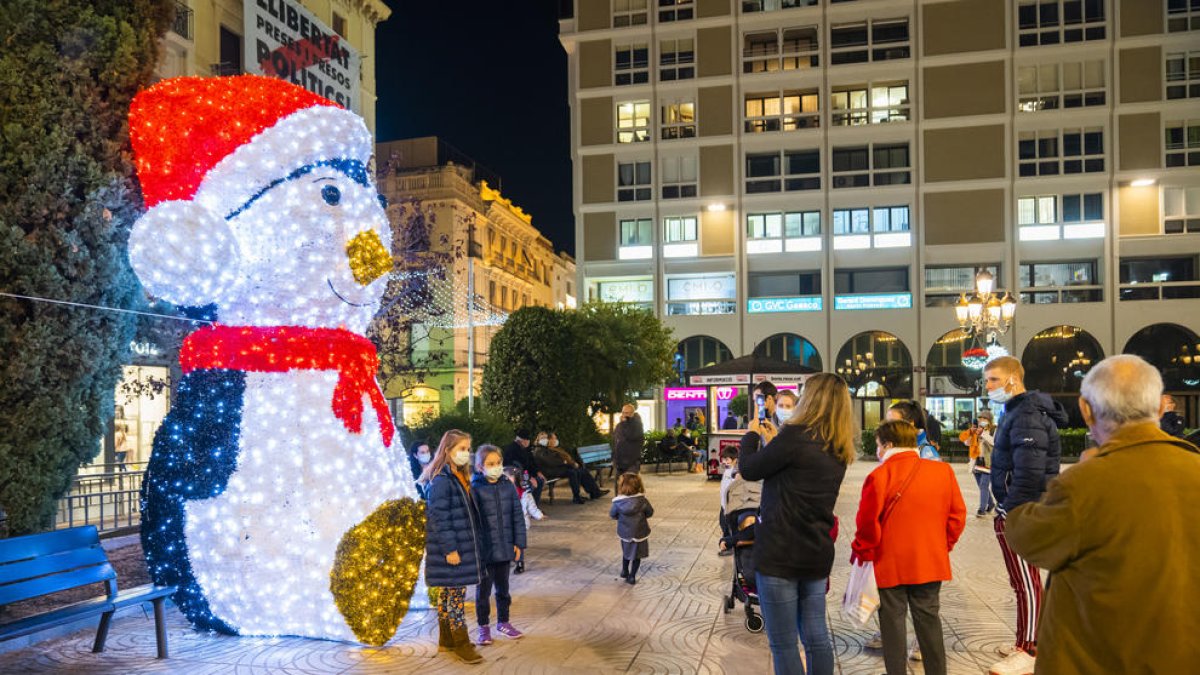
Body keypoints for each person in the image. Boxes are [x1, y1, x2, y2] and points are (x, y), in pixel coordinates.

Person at [1005, 355, 1200, 674]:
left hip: (1099, 660)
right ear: (1161, 407)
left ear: (1085, 409)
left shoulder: (1085, 484)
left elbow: (1025, 537)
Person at [739, 373, 856, 675]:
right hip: (815, 551)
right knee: (816, 638)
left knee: (784, 643)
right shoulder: (838, 446)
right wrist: (774, 443)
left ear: (812, 399)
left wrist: (752, 435)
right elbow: (796, 471)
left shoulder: (795, 435)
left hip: (780, 553)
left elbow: (750, 469)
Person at [852, 421, 966, 675]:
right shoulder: (942, 471)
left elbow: (867, 524)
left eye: (879, 445)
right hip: (929, 562)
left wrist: (864, 551)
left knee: (892, 625)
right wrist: (941, 546)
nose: (878, 450)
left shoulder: (879, 475)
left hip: (889, 564)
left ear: (889, 445)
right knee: (929, 622)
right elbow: (957, 516)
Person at [983, 355, 1068, 675]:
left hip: (1022, 510)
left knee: (1026, 581)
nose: (988, 386)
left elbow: (1030, 472)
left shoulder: (1026, 415)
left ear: (1012, 380)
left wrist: (1009, 508)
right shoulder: (1017, 412)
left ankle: (1031, 649)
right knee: (1022, 580)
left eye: (993, 379)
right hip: (1021, 508)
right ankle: (1027, 639)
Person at [418, 429, 484, 664]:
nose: (466, 453)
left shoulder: (458, 476)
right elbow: (438, 516)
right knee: (455, 596)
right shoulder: (442, 480)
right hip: (451, 549)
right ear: (447, 451)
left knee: (448, 593)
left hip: (459, 545)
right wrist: (450, 550)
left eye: (468, 449)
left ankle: (447, 640)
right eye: (461, 449)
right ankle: (462, 644)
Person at [470, 445, 527, 645]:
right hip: (485, 552)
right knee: (483, 593)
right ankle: (483, 627)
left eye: (498, 463)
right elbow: (473, 522)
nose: (496, 467)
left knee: (503, 590)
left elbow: (517, 516)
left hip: (504, 548)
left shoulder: (508, 486)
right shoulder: (475, 489)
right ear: (480, 467)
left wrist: (519, 543)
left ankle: (504, 622)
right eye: (490, 464)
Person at [610, 472, 654, 585]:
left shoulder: (618, 503)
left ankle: (624, 570)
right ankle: (632, 576)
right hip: (640, 531)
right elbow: (650, 512)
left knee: (626, 552)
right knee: (636, 555)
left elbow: (613, 515)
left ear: (621, 486)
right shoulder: (643, 501)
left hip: (625, 532)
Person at [533, 431, 600, 504]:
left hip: (554, 469)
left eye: (546, 438)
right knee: (573, 472)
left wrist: (567, 462)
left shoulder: (544, 448)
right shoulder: (539, 450)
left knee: (577, 470)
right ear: (538, 439)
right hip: (549, 471)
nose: (545, 440)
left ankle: (587, 493)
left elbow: (555, 460)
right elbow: (551, 462)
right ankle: (577, 496)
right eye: (542, 438)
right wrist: (564, 462)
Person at [504, 466, 545, 574]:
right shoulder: (502, 494)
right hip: (506, 524)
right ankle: (508, 559)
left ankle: (519, 562)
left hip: (521, 523)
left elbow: (532, 507)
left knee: (519, 543)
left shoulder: (525, 494)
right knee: (507, 542)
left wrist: (538, 515)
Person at [738, 380, 781, 458]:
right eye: (754, 401)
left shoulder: (780, 420)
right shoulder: (763, 420)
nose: (755, 404)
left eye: (758, 400)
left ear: (769, 399)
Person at [503, 430, 546, 506]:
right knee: (530, 484)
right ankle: (528, 508)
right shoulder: (511, 449)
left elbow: (531, 463)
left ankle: (535, 506)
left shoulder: (526, 449)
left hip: (526, 474)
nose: (528, 442)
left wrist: (538, 472)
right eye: (527, 440)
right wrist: (528, 478)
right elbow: (513, 467)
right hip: (516, 476)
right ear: (521, 440)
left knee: (540, 480)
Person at [967, 418, 996, 517]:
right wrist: (971, 433)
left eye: (981, 424)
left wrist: (983, 433)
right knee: (981, 486)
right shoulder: (975, 433)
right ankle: (991, 504)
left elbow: (993, 442)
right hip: (976, 462)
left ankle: (981, 509)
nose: (979, 426)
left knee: (984, 485)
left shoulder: (991, 432)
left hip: (987, 463)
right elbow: (966, 443)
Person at [612, 404, 645, 475]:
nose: (624, 415)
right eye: (623, 412)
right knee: (620, 484)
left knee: (630, 484)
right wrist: (614, 456)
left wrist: (624, 423)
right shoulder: (619, 425)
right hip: (619, 460)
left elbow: (631, 436)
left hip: (631, 461)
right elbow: (615, 440)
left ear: (632, 413)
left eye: (626, 413)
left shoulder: (637, 425)